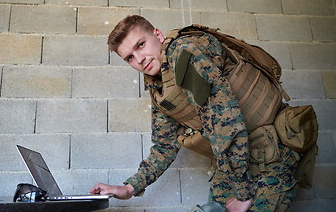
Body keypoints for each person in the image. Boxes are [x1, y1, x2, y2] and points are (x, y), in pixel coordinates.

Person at [90, 15, 298, 212]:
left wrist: (243, 193)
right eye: (130, 57)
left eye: (141, 45)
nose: (140, 59)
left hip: (271, 154)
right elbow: (165, 145)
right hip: (234, 163)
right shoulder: (159, 84)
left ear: (158, 35)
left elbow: (225, 120)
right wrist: (129, 188)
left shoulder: (185, 52)